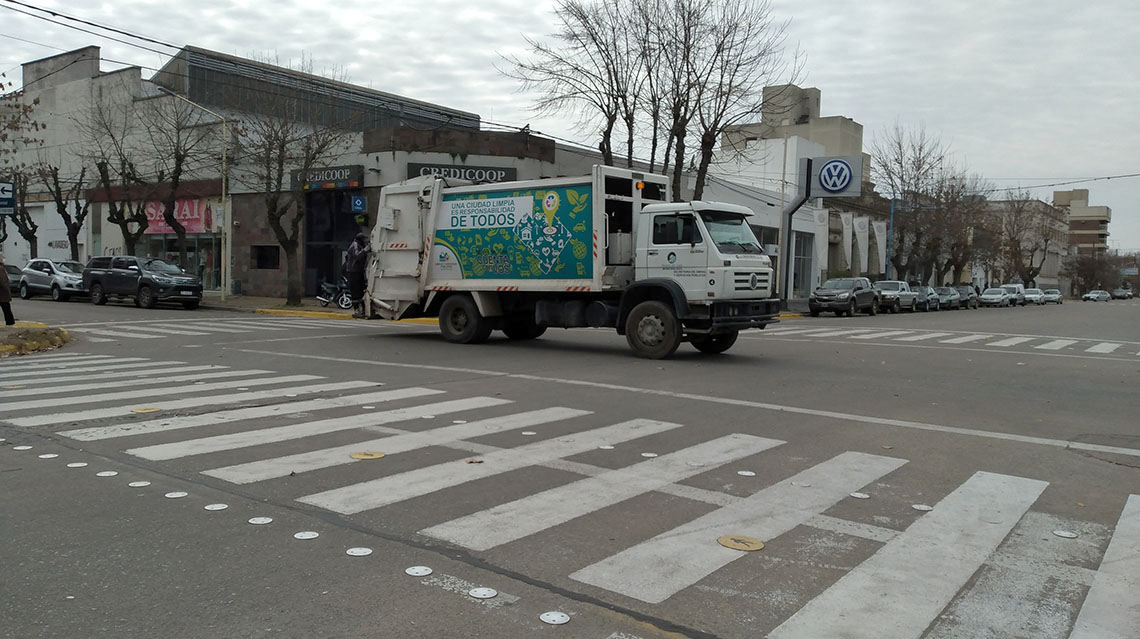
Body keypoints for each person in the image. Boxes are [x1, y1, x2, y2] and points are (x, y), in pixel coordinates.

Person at [343, 233, 371, 318]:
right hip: (353, 272)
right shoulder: (355, 245)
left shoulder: (360, 245)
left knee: (361, 290)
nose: (365, 241)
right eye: (364, 239)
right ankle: (356, 310)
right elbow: (357, 256)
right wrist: (365, 250)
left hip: (359, 271)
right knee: (356, 292)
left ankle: (363, 310)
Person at [0, 255, 15, 326]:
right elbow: (3, 281)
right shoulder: (1, 269)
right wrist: (7, 290)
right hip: (2, 293)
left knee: (6, 309)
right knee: (6, 309)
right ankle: (10, 323)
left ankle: (10, 322)